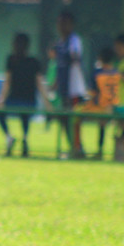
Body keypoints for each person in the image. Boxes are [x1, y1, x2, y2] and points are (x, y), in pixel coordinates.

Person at [0, 33, 50, 157]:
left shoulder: (20, 60)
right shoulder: (25, 61)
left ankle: (12, 137)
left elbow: (8, 82)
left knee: (18, 113)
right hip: (22, 100)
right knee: (22, 115)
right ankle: (23, 138)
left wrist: (1, 99)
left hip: (23, 101)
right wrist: (47, 102)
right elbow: (39, 83)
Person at [47, 11, 87, 155]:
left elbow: (74, 57)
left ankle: (78, 149)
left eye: (65, 23)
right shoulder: (60, 43)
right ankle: (73, 148)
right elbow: (60, 67)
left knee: (74, 120)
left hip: (74, 88)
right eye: (60, 23)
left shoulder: (74, 40)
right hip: (63, 89)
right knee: (63, 118)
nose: (62, 26)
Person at [73, 47, 120, 159]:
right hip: (112, 107)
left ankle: (78, 148)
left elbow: (92, 93)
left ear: (100, 58)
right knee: (102, 123)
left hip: (99, 107)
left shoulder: (98, 73)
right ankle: (100, 150)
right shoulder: (116, 73)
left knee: (75, 114)